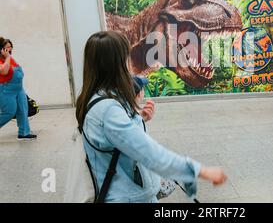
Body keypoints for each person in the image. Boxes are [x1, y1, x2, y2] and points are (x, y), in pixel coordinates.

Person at [76, 31, 227, 203]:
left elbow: (113, 138)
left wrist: (138, 117)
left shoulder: (96, 98)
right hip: (126, 198)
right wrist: (200, 171)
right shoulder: (108, 110)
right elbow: (149, 153)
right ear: (117, 64)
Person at [0, 37, 37, 140]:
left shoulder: (10, 58)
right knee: (9, 112)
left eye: (11, 47)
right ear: (1, 49)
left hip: (18, 89)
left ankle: (24, 133)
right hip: (5, 90)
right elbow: (4, 71)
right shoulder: (6, 59)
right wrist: (7, 58)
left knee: (23, 110)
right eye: (7, 48)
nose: (10, 50)